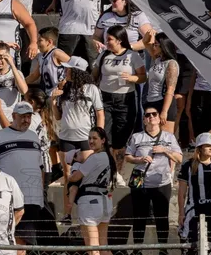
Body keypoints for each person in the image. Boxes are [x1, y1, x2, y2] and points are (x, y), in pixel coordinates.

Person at [0, 101, 52, 255]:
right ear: (14, 116)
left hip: (32, 199)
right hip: (9, 198)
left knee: (24, 241)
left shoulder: (34, 137)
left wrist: (40, 194)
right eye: (22, 117)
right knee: (16, 240)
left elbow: (40, 167)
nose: (26, 120)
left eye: (29, 117)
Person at [125, 105, 182, 255]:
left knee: (162, 216)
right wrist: (139, 159)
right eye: (147, 115)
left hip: (161, 182)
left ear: (159, 118)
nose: (151, 117)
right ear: (144, 120)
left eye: (154, 114)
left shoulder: (169, 137)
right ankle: (137, 249)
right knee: (139, 217)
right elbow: (127, 156)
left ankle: (163, 249)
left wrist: (165, 150)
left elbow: (180, 158)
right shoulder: (137, 137)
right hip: (140, 180)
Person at [92, 25, 145, 174]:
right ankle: (106, 170)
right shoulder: (103, 55)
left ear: (120, 40)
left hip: (125, 99)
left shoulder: (132, 55)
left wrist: (132, 77)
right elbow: (94, 75)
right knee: (105, 137)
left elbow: (143, 77)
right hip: (105, 98)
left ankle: (118, 172)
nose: (106, 42)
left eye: (110, 39)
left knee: (120, 139)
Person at [51, 57, 104, 181]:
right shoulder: (63, 88)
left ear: (76, 71)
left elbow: (100, 114)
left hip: (86, 137)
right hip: (66, 137)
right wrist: (53, 101)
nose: (65, 71)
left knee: (87, 175)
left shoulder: (92, 89)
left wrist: (99, 137)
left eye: (68, 68)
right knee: (67, 176)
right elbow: (58, 116)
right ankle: (67, 201)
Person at [65, 127, 115, 255]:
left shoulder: (95, 158)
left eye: (95, 138)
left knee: (93, 248)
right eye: (89, 138)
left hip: (90, 202)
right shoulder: (108, 158)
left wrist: (68, 176)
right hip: (105, 200)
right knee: (104, 247)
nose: (91, 141)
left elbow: (75, 178)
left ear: (103, 140)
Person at [143, 33, 179, 133]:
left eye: (156, 44)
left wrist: (164, 111)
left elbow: (170, 89)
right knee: (151, 134)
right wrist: (149, 33)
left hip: (163, 101)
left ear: (164, 46)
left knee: (165, 137)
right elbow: (145, 43)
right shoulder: (157, 59)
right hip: (151, 101)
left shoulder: (171, 63)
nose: (153, 46)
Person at [26, 26, 69, 93]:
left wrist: (65, 80)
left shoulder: (56, 53)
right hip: (48, 93)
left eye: (40, 41)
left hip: (60, 93)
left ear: (49, 42)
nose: (37, 44)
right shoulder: (41, 56)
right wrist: (20, 82)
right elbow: (34, 75)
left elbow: (75, 66)